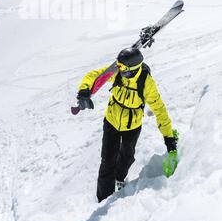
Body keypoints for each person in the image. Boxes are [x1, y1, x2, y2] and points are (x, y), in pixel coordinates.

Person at [76, 47, 177, 203]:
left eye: (123, 69)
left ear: (132, 69)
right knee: (107, 161)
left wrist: (169, 138)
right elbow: (95, 75)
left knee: (127, 157)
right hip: (111, 121)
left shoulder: (146, 83)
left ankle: (119, 180)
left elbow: (160, 110)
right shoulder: (117, 71)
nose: (119, 70)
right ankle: (103, 201)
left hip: (132, 126)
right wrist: (84, 90)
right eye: (119, 67)